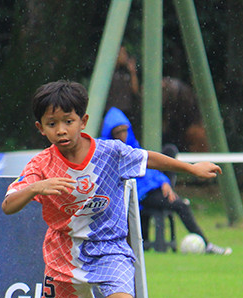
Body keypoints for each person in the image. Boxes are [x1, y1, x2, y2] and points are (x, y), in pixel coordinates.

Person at [2, 81, 222, 298]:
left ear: (83, 120)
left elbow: (148, 157)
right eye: (52, 124)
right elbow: (8, 204)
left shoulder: (110, 152)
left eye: (68, 121)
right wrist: (38, 187)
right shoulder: (40, 166)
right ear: (40, 129)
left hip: (109, 244)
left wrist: (191, 168)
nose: (61, 130)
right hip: (63, 250)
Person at [99, 106, 231, 255]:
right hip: (131, 197)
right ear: (110, 133)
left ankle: (205, 244)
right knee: (181, 206)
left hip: (147, 192)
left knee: (181, 204)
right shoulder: (106, 150)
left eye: (125, 130)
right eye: (118, 132)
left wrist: (164, 181)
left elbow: (149, 166)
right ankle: (206, 245)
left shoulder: (131, 145)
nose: (123, 135)